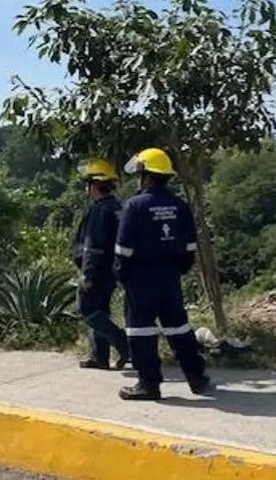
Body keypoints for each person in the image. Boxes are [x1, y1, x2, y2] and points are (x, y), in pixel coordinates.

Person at [113, 147, 210, 401]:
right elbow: (190, 246)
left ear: (145, 175)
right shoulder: (180, 206)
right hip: (170, 276)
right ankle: (196, 377)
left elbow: (123, 249)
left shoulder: (134, 206)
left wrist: (123, 277)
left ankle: (149, 384)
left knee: (141, 332)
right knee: (179, 328)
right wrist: (178, 269)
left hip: (140, 277)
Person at [73, 158, 130, 370]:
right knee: (100, 310)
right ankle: (99, 356)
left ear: (94, 185)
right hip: (112, 269)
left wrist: (87, 274)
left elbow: (92, 246)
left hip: (98, 270)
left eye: (88, 183)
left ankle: (124, 344)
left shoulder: (100, 211)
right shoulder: (117, 207)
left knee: (86, 310)